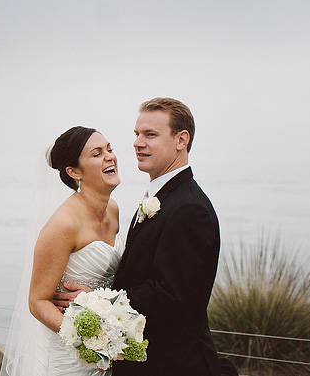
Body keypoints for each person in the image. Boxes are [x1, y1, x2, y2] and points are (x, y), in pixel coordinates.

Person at [55, 98, 236, 376]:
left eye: (150, 135)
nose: (138, 143)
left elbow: (171, 297)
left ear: (181, 140)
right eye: (137, 134)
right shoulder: (163, 197)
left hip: (172, 365)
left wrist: (101, 303)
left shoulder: (189, 209)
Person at [1, 125, 123, 376]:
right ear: (74, 171)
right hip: (63, 358)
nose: (110, 156)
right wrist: (87, 339)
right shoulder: (64, 224)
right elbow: (37, 302)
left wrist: (107, 312)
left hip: (102, 351)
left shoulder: (113, 210)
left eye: (109, 149)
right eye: (97, 153)